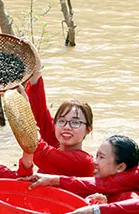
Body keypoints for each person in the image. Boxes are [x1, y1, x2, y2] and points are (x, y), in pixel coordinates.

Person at [19, 46, 94, 177]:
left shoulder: (84, 162)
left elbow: (39, 152)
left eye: (75, 123)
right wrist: (36, 73)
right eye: (62, 121)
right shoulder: (57, 144)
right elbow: (40, 114)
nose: (67, 127)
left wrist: (21, 109)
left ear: (88, 129)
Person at [85, 135, 139, 214]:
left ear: (120, 167)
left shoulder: (132, 198)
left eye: (101, 157)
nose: (95, 162)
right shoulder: (99, 192)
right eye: (96, 156)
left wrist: (105, 212)